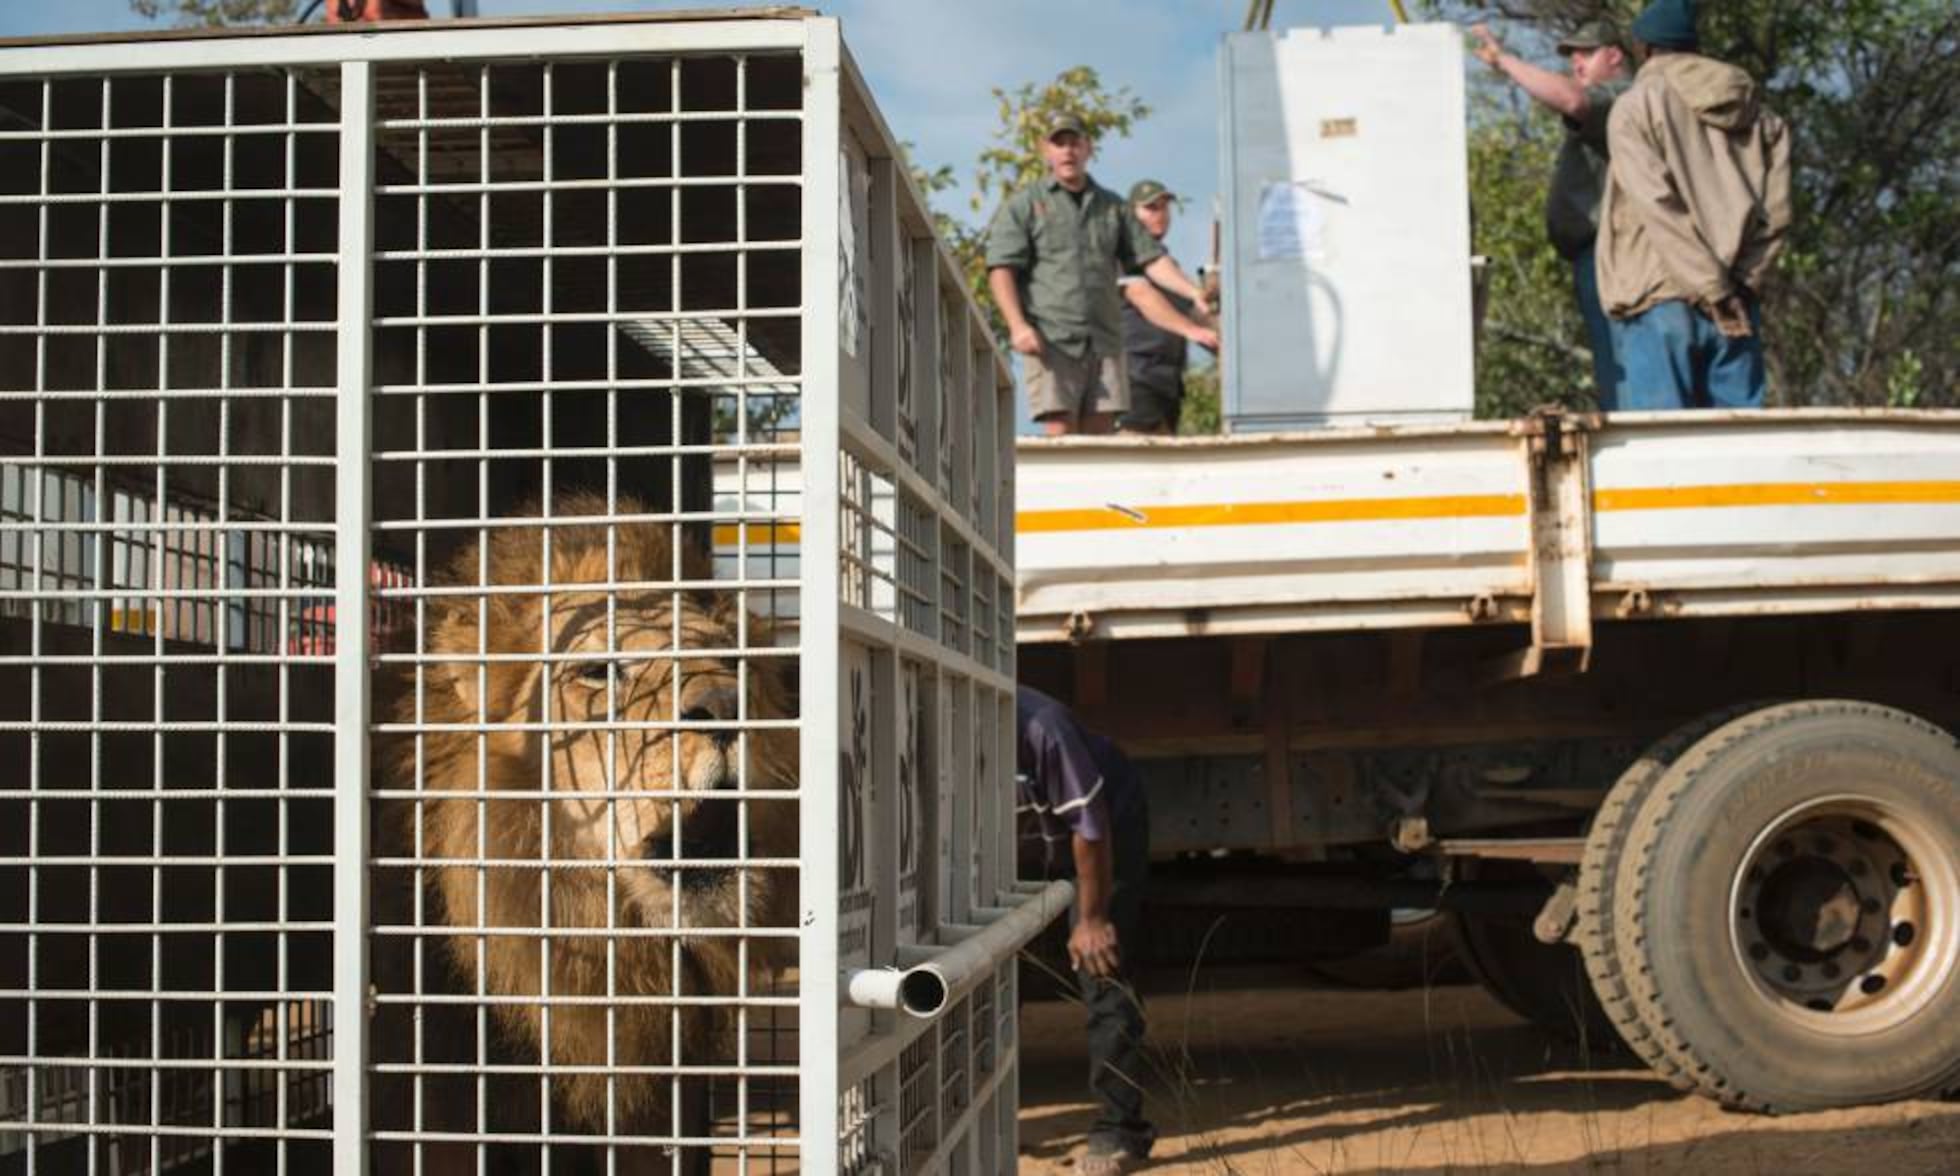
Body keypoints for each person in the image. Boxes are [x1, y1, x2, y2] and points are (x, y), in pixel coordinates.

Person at [1595, 0, 1792, 409]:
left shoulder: (1635, 108)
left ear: (1642, 48)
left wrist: (1710, 287)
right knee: (1734, 458)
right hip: (1737, 301)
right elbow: (1777, 216)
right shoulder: (1761, 115)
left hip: (1661, 295)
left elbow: (1657, 207)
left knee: (1666, 456)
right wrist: (1740, 284)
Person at [986, 115, 1210, 435]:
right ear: (1045, 150)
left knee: (1101, 447)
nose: (1068, 151)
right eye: (1059, 143)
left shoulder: (1112, 207)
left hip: (1105, 341)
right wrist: (1017, 325)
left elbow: (1151, 260)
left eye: (1075, 143)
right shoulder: (1026, 204)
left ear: (1088, 148)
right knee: (1062, 435)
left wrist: (1193, 291)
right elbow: (1001, 269)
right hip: (1053, 339)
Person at [1016, 685, 1153, 1174]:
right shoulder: (937, 722)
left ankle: (1120, 1132)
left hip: (1099, 835)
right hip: (1026, 841)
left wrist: (1093, 919)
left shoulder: (1042, 728)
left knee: (1101, 968)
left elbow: (1091, 826)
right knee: (990, 974)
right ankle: (982, 1118)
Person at [1472, 20, 1631, 408]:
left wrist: (1504, 60)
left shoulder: (1622, 96)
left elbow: (1571, 99)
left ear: (1614, 55)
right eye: (1572, 56)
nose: (1576, 63)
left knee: (1623, 367)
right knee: (1613, 364)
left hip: (1611, 254)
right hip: (1595, 256)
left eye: (1586, 54)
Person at [1117, 179, 1220, 435]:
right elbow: (1141, 294)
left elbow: (1197, 314)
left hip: (1167, 384)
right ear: (1132, 214)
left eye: (1164, 207)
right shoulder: (1122, 258)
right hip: (1134, 379)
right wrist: (1192, 330)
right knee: (1132, 461)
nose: (1160, 214)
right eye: (1151, 208)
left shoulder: (1170, 268)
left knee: (1164, 468)